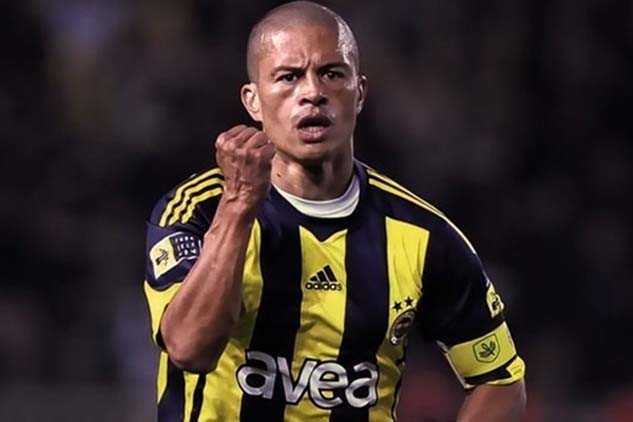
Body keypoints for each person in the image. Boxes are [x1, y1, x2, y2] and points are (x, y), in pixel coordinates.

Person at [143, 2, 526, 421]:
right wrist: (239, 204)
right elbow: (190, 348)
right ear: (253, 101)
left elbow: (501, 382)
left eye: (331, 73)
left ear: (359, 93)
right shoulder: (197, 210)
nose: (312, 92)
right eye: (288, 77)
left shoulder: (421, 235)